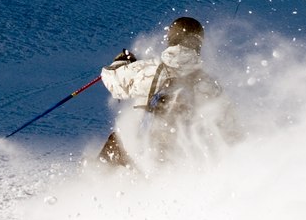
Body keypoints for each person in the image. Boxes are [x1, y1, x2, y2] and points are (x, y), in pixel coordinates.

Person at [98, 16, 236, 167]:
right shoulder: (209, 85)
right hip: (179, 155)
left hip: (140, 147)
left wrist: (121, 62)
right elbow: (229, 126)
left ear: (171, 39)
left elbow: (113, 79)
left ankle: (97, 178)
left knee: (118, 140)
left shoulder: (149, 69)